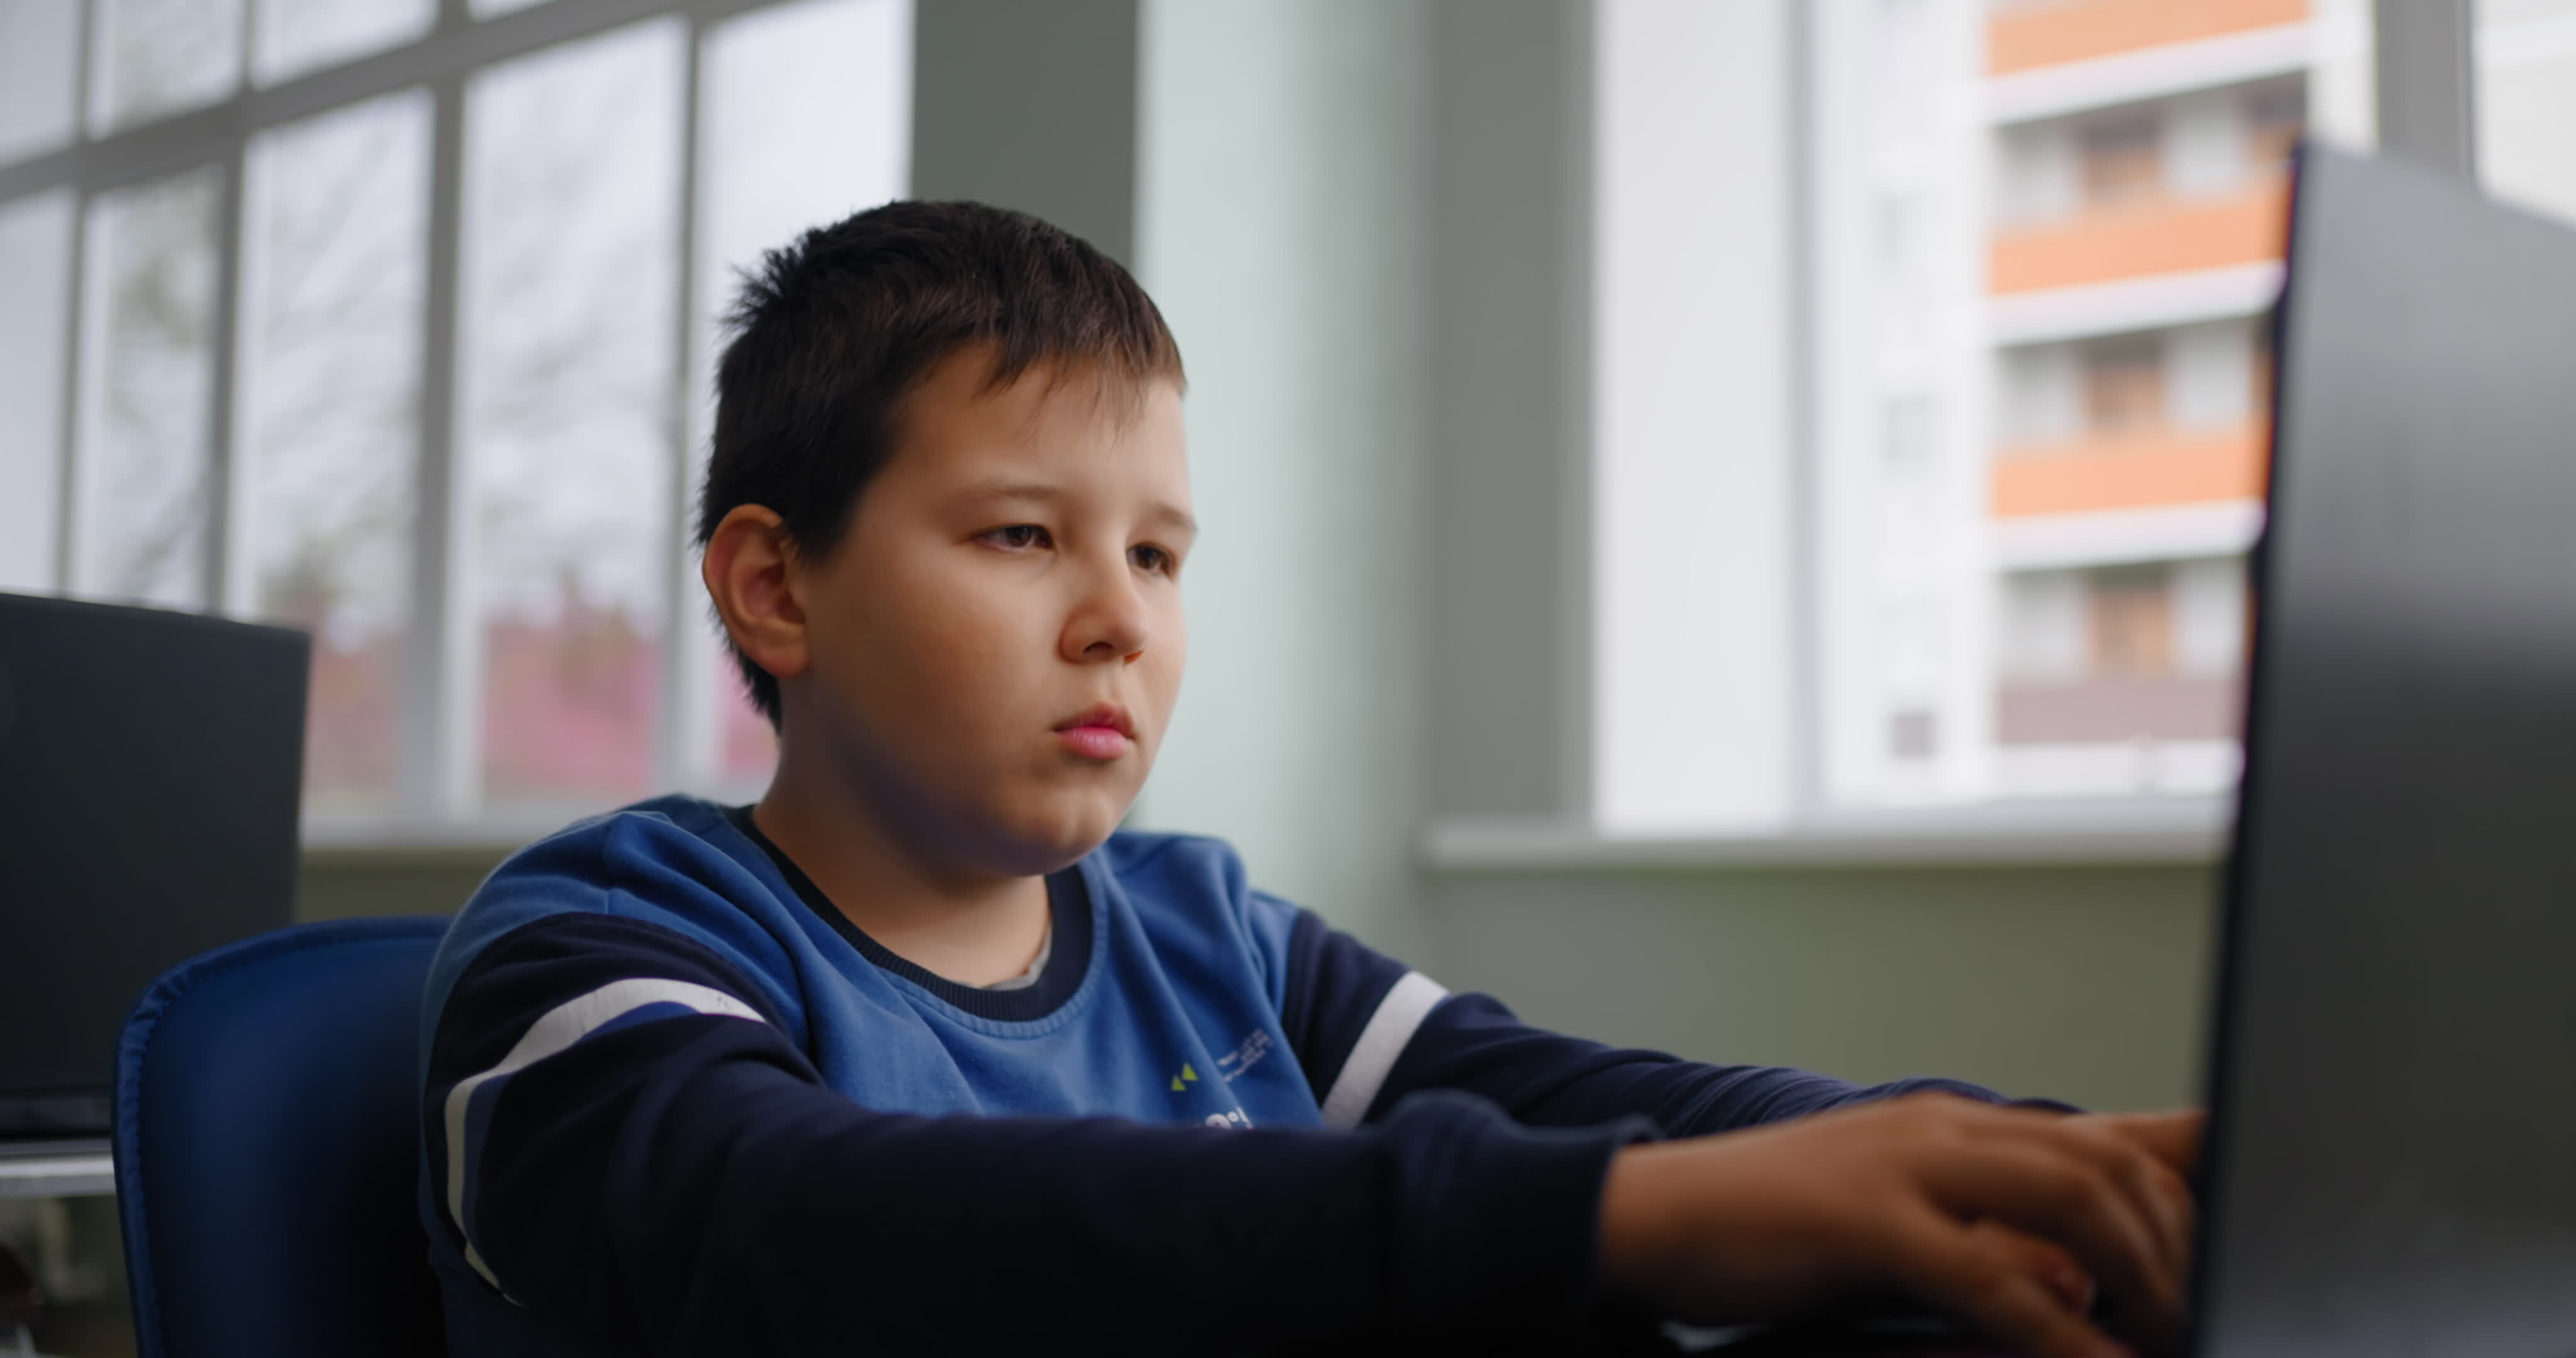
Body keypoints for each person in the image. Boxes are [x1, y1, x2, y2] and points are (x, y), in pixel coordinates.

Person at [418, 200, 2197, 1358]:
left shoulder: (1211, 939)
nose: (1121, 620)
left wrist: (2014, 1161)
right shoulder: (598, 945)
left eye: (1166, 557)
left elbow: (1569, 1096)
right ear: (775, 584)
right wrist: (1620, 1222)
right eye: (1025, 534)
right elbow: (803, 1234)